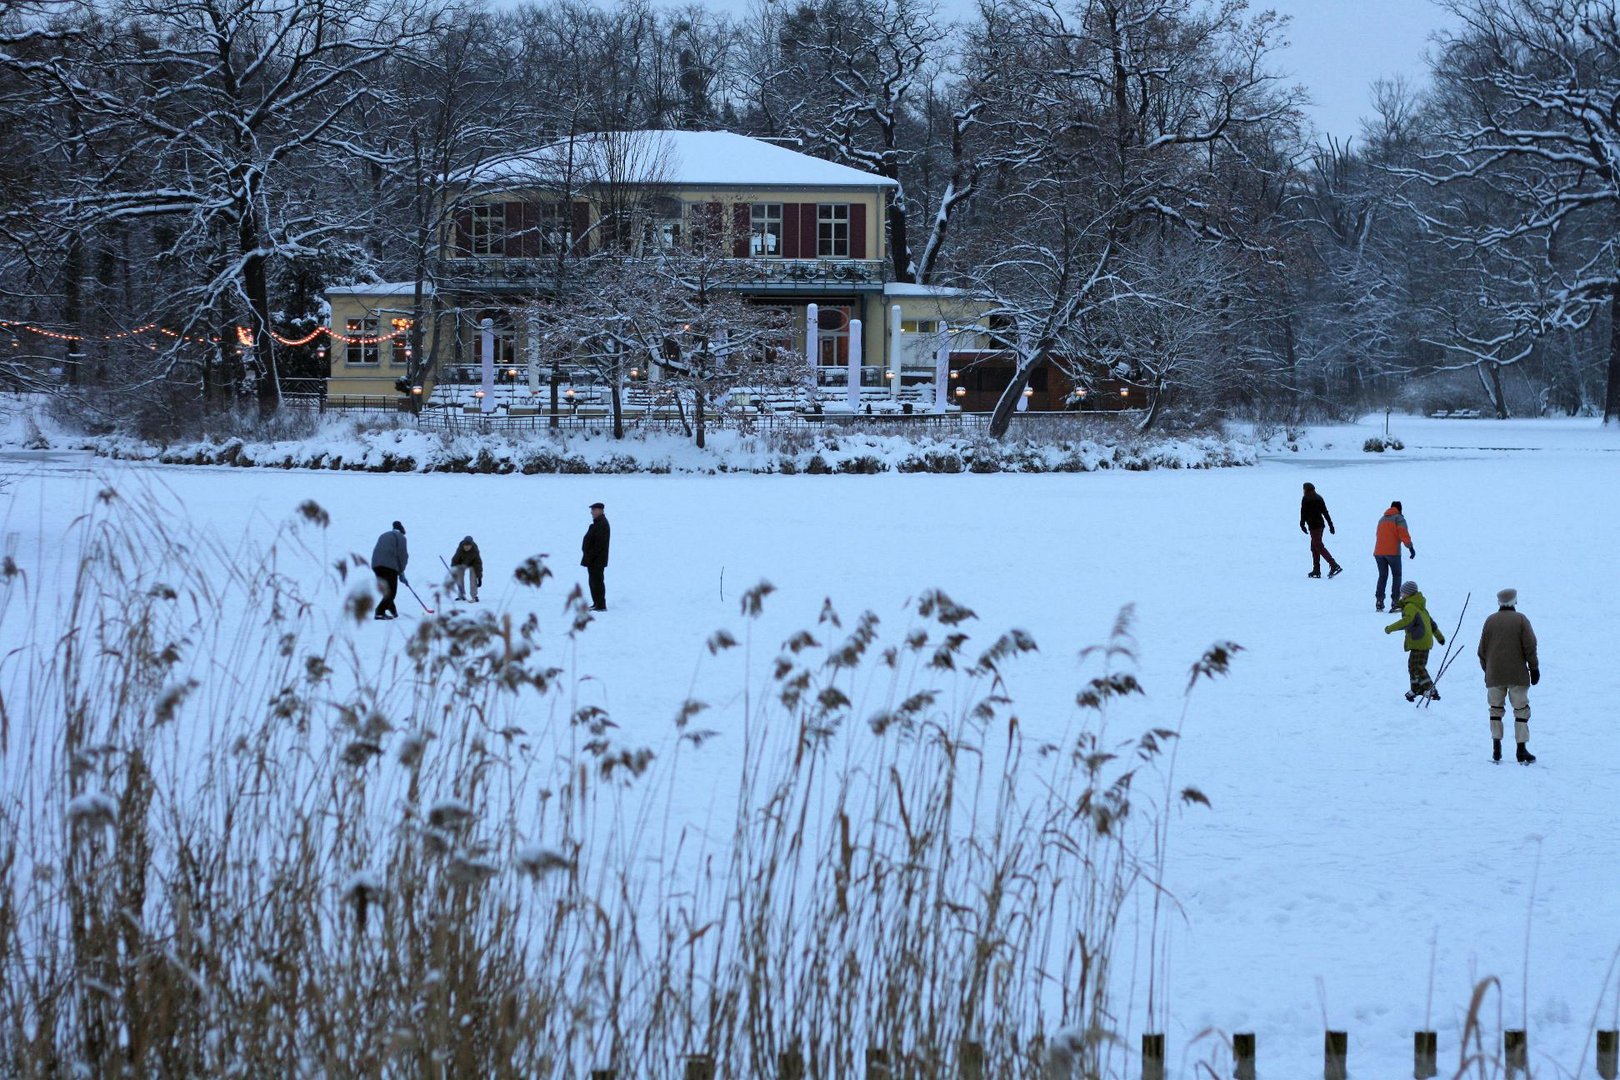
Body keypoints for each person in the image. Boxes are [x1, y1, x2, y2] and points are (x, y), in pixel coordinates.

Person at [1477, 588, 1539, 764]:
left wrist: (1488, 670)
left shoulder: (1490, 621)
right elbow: (1530, 646)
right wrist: (1534, 668)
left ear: (1499, 602)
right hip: (1517, 675)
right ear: (1515, 601)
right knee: (1521, 710)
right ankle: (1521, 750)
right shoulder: (1521, 620)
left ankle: (1496, 749)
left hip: (1494, 674)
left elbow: (1481, 650)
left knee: (1495, 710)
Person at [1384, 580, 1445, 702]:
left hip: (1419, 641)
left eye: (1403, 592)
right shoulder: (1420, 607)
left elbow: (1406, 621)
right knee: (1412, 666)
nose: (1401, 594)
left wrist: (1390, 628)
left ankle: (1431, 689)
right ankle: (1416, 689)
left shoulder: (1411, 606)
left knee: (1418, 667)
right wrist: (1440, 637)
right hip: (1422, 641)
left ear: (1408, 593)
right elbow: (1432, 625)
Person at [1373, 500, 1416, 612]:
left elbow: (1378, 534)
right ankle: (1395, 602)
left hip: (1379, 553)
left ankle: (1379, 601)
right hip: (1392, 553)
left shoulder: (1381, 519)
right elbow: (1403, 533)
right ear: (1400, 509)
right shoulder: (1398, 518)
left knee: (1383, 576)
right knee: (1396, 576)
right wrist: (1410, 547)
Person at [1299, 482, 1343, 578]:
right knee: (1314, 546)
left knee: (1318, 546)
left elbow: (1303, 512)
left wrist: (1302, 524)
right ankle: (1316, 570)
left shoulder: (1306, 498)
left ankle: (1334, 565)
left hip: (1314, 526)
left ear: (1305, 489)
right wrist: (1331, 525)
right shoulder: (1319, 497)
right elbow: (1325, 512)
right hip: (1320, 526)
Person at [371, 520, 409, 621]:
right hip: (389, 566)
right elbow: (402, 556)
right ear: (401, 531)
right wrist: (401, 573)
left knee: (387, 590)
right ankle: (379, 612)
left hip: (376, 565)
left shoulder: (384, 535)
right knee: (392, 591)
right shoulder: (401, 538)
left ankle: (393, 610)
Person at [581, 502, 610, 612]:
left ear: (600, 510)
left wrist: (590, 555)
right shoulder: (598, 523)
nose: (591, 512)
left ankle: (601, 605)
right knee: (593, 582)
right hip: (593, 559)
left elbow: (599, 544)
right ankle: (597, 603)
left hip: (597, 560)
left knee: (597, 582)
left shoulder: (602, 524)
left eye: (593, 510)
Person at [450, 535, 483, 603]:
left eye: (468, 545)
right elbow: (455, 559)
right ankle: (461, 595)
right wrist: (453, 569)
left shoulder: (475, 551)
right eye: (465, 545)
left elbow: (478, 564)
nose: (466, 547)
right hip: (462, 563)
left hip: (473, 565)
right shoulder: (460, 549)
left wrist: (479, 577)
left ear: (471, 545)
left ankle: (474, 596)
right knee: (459, 577)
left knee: (473, 579)